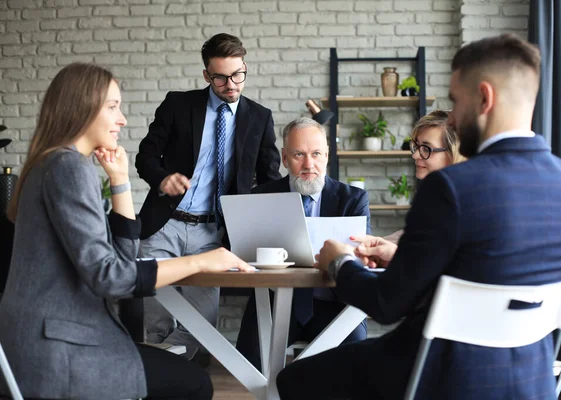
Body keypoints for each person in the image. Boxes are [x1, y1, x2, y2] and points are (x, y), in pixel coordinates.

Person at [276, 34, 561, 400]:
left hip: (442, 374)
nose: (454, 118)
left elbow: (387, 304)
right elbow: (490, 271)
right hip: (530, 380)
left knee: (294, 380)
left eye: (457, 102)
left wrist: (340, 263)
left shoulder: (451, 187)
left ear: (485, 98)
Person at [0, 63, 254, 400]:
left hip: (47, 344)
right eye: (113, 107)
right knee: (194, 384)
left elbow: (120, 262)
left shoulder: (53, 163)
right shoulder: (68, 167)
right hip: (59, 353)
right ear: (82, 107)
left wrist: (119, 181)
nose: (122, 119)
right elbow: (111, 277)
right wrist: (201, 261)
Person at [135, 33, 281, 358]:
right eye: (221, 77)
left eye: (238, 74)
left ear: (244, 68)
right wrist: (162, 179)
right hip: (165, 225)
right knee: (155, 317)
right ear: (207, 75)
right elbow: (145, 156)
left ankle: (171, 371)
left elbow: (269, 180)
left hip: (212, 234)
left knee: (202, 322)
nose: (231, 84)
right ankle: (157, 381)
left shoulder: (259, 117)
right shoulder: (178, 104)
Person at [235, 117, 371, 371]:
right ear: (285, 159)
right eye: (299, 155)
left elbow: (361, 256)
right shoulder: (261, 197)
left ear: (327, 156)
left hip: (335, 304)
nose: (309, 164)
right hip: (276, 304)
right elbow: (246, 255)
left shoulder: (353, 200)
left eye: (316, 154)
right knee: (249, 365)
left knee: (355, 365)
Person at [363, 109, 465, 244]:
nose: (415, 155)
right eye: (416, 146)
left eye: (426, 148)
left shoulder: (461, 204)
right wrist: (376, 242)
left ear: (453, 153)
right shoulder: (437, 195)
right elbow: (414, 235)